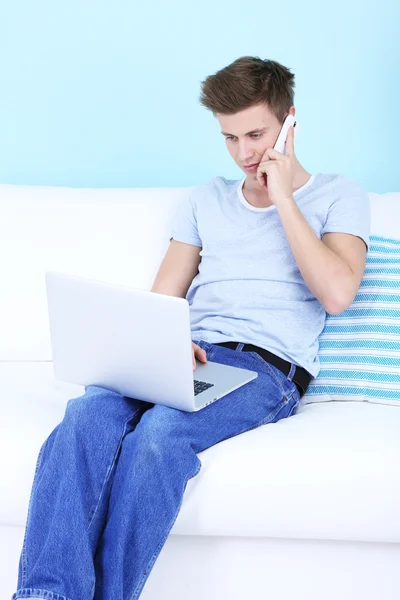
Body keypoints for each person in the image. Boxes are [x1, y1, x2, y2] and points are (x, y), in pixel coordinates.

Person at [12, 56, 370, 600]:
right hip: (188, 352)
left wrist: (283, 201)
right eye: (230, 138)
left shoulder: (339, 195)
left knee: (159, 437)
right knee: (85, 413)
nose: (245, 154)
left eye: (257, 134)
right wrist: (167, 344)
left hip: (265, 368)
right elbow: (161, 301)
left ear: (290, 122)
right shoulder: (205, 200)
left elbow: (337, 293)